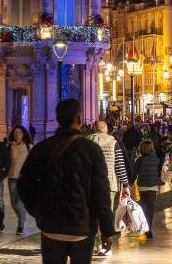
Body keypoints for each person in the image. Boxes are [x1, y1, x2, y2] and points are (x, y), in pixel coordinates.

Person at [18, 98, 116, 264]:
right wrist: (106, 230)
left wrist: (40, 212)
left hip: (51, 227)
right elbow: (101, 194)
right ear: (79, 119)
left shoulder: (42, 148)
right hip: (82, 228)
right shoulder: (91, 150)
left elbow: (24, 185)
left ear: (58, 119)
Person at [87, 120, 128, 254]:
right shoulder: (114, 143)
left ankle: (94, 244)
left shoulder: (85, 142)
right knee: (106, 215)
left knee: (92, 214)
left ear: (94, 129)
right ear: (106, 130)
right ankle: (104, 245)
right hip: (109, 184)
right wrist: (126, 184)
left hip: (89, 185)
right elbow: (120, 166)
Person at [133, 139, 163, 239]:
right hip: (153, 186)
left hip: (142, 186)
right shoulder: (156, 159)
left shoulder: (140, 160)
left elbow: (134, 174)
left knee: (142, 207)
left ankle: (142, 227)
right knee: (150, 209)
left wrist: (128, 183)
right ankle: (149, 229)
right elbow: (158, 171)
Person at [7, 125, 33, 235]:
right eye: (15, 133)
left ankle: (21, 224)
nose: (17, 135)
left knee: (19, 202)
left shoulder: (29, 146)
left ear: (23, 134)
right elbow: (11, 161)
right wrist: (12, 147)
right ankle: (22, 218)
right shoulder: (9, 146)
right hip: (12, 177)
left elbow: (33, 162)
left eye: (20, 132)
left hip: (23, 178)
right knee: (14, 202)